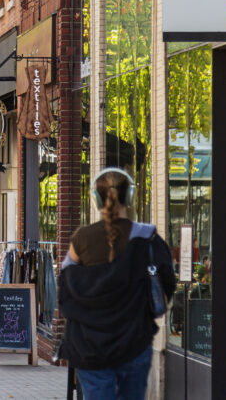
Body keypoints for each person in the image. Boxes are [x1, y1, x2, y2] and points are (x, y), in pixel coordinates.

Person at [58, 168, 175, 400]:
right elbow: (167, 285)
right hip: (134, 343)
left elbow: (65, 285)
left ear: (96, 198)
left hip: (89, 346)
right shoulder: (148, 239)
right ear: (130, 197)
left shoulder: (82, 238)